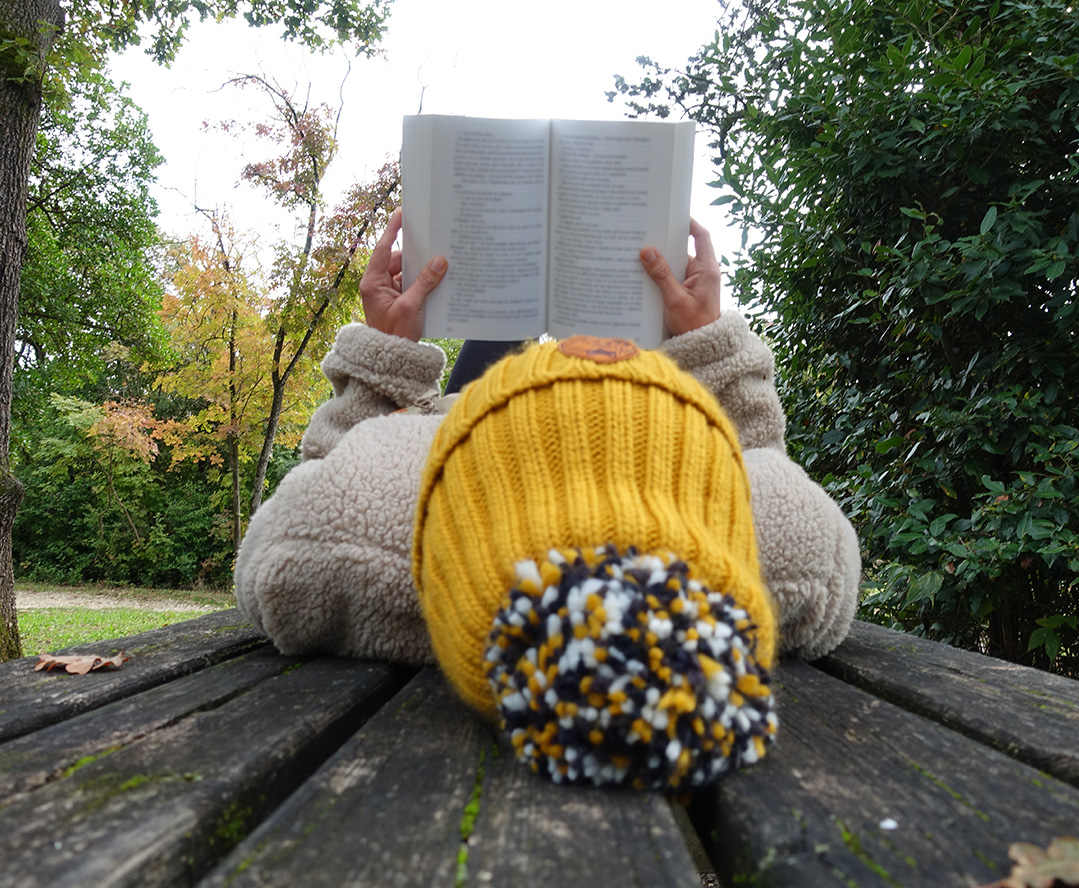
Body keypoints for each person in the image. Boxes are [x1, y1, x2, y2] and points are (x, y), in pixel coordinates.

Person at [234, 208, 861, 785]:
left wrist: (384, 360)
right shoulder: (791, 557)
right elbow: (756, 468)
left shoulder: (380, 504)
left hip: (490, 420)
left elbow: (292, 522)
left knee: (490, 348)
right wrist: (709, 346)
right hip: (576, 424)